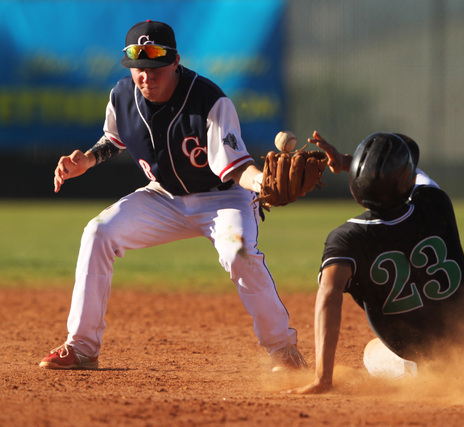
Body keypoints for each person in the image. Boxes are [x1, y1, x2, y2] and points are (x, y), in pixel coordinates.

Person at [39, 20, 306, 372]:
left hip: (222, 198)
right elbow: (114, 138)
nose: (146, 76)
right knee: (98, 233)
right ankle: (82, 347)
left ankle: (283, 350)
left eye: (155, 67)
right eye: (139, 67)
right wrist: (87, 160)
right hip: (163, 197)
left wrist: (263, 184)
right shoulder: (122, 95)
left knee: (239, 253)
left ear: (175, 61)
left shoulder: (209, 100)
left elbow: (237, 167)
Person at [288, 131, 464, 394]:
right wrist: (348, 161)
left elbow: (329, 295)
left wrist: (322, 379)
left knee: (371, 351)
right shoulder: (435, 202)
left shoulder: (346, 239)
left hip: (434, 365)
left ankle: (425, 379)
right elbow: (410, 176)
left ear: (355, 184)